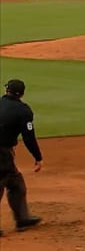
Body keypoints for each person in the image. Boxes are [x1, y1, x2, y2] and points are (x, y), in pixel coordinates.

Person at [0, 79, 43, 236]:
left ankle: (22, 219)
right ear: (22, 94)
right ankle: (22, 219)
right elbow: (28, 137)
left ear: (7, 90)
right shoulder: (23, 111)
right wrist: (38, 157)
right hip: (2, 153)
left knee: (15, 183)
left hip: (4, 153)